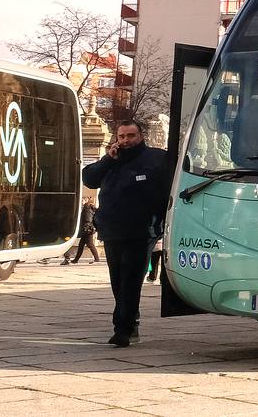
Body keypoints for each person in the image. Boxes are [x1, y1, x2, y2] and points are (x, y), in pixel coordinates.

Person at [81, 119, 170, 347]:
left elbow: (168, 192)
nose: (125, 141)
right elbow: (89, 178)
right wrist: (108, 159)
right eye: (121, 136)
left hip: (142, 231)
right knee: (117, 280)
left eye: (130, 136)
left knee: (131, 279)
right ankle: (130, 323)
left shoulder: (157, 158)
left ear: (141, 136)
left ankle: (124, 329)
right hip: (112, 230)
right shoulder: (112, 159)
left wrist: (161, 222)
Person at [62, 197, 100, 265]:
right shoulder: (86, 208)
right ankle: (76, 260)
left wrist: (86, 228)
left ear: (86, 201)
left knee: (90, 244)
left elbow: (87, 220)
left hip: (88, 230)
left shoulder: (87, 208)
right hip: (87, 230)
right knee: (81, 245)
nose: (81, 202)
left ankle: (97, 259)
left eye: (82, 200)